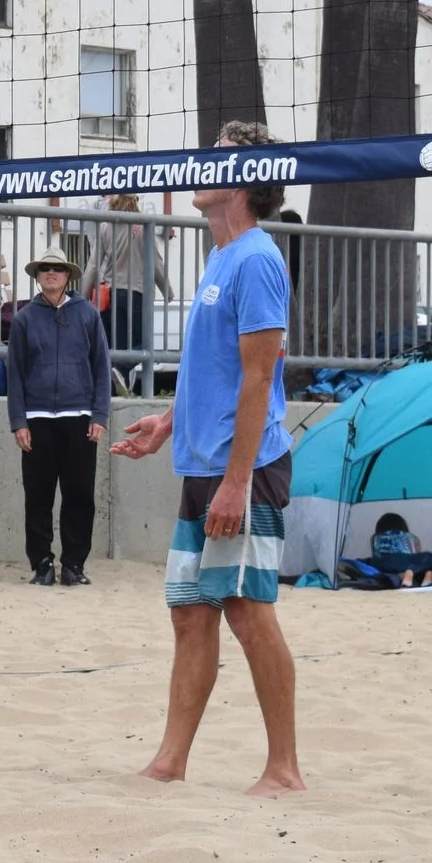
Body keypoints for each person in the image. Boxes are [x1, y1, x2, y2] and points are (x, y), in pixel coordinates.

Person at [112, 118, 305, 796]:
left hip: (242, 470)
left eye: (217, 157)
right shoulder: (220, 257)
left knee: (249, 610)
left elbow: (260, 377)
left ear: (247, 179)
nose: (201, 163)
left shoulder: (257, 259)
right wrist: (169, 422)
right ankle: (170, 760)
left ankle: (284, 769)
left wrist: (236, 481)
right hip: (204, 463)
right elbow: (218, 369)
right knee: (190, 612)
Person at [4, 247, 110, 587]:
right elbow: (14, 374)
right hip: (36, 418)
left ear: (68, 275)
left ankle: (74, 565)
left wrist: (99, 415)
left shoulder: (88, 315)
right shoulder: (23, 319)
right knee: (38, 495)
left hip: (79, 416)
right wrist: (19, 421)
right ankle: (42, 564)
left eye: (58, 269)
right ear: (37, 275)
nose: (51, 273)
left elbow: (101, 367)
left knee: (80, 495)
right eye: (45, 268)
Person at [83, 193, 171, 353]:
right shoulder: (144, 226)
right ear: (134, 203)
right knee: (143, 345)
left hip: (111, 294)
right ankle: (122, 366)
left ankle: (117, 367)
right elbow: (155, 262)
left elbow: (93, 265)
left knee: (117, 347)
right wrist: (167, 292)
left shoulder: (105, 227)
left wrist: (83, 296)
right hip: (137, 293)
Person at [366, 512, 432, 589]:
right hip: (409, 562)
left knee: (381, 573)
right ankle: (428, 574)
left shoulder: (378, 544)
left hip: (386, 563)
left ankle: (404, 576)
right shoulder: (409, 544)